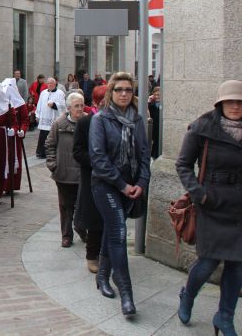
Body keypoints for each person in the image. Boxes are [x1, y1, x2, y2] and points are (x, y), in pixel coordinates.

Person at [175, 80, 242, 335]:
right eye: (230, 101)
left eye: (240, 102)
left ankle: (224, 317)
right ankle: (188, 295)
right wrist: (200, 195)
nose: (235, 106)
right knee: (207, 263)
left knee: (238, 266)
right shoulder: (202, 128)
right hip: (212, 205)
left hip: (239, 209)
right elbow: (183, 164)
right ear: (220, 103)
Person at [89, 72, 150, 317]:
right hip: (106, 185)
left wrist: (142, 183)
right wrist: (123, 185)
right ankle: (126, 293)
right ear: (110, 93)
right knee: (119, 234)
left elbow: (145, 154)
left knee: (112, 230)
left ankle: (102, 276)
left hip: (132, 186)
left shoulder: (137, 120)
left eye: (128, 90)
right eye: (119, 90)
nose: (124, 93)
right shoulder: (101, 120)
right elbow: (98, 159)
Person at [73, 85, 107, 275]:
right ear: (95, 103)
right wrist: (97, 162)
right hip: (93, 177)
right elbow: (78, 152)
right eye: (103, 103)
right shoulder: (85, 123)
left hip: (113, 178)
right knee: (95, 220)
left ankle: (108, 254)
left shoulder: (118, 120)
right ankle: (92, 255)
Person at [46, 92, 86, 248]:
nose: (80, 109)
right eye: (77, 106)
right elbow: (50, 144)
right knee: (65, 206)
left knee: (83, 205)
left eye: (82, 105)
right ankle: (66, 235)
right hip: (63, 173)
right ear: (69, 108)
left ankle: (81, 229)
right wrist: (53, 164)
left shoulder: (88, 121)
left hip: (82, 173)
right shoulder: (59, 123)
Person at [2, 77, 30, 193]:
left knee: (14, 160)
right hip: (3, 137)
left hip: (15, 138)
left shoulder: (20, 104)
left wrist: (22, 130)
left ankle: (11, 186)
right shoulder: (1, 102)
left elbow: (25, 120)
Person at [35, 77, 66, 159]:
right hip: (44, 117)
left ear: (55, 83)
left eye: (51, 83)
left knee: (52, 136)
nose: (49, 85)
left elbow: (63, 106)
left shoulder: (60, 93)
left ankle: (52, 152)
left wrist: (54, 105)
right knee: (43, 135)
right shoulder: (43, 93)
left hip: (54, 118)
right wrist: (37, 115)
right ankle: (41, 153)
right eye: (48, 83)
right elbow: (39, 104)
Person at [148, 86, 161, 159]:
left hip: (160, 128)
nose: (156, 97)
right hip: (154, 128)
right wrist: (148, 102)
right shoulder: (151, 105)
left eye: (158, 95)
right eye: (155, 95)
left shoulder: (164, 105)